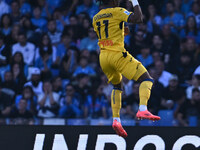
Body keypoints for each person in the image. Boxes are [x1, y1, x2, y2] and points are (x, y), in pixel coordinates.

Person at [93, 0, 160, 138]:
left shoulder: (96, 17)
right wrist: (134, 1)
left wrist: (122, 33)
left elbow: (109, 33)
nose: (118, 1)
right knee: (146, 78)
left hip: (104, 57)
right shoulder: (117, 11)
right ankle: (142, 109)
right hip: (117, 54)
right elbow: (138, 19)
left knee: (117, 86)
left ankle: (116, 120)